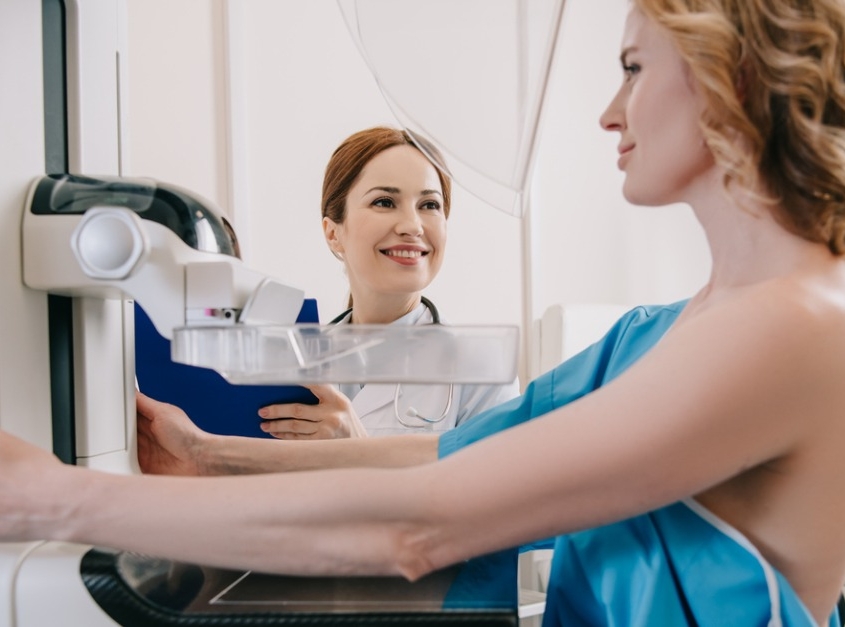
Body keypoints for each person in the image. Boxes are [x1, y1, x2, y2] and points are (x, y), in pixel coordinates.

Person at [3, 1, 845, 624]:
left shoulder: (795, 326)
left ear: (726, 75)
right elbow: (455, 453)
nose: (608, 111)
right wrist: (210, 453)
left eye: (631, 68)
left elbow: (418, 525)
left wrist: (57, 499)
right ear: (332, 230)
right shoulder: (667, 328)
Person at [257, 126, 520, 439]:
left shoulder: (481, 370)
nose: (412, 225)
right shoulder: (294, 365)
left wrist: (356, 451)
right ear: (333, 232)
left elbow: (494, 488)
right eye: (384, 202)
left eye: (430, 205)